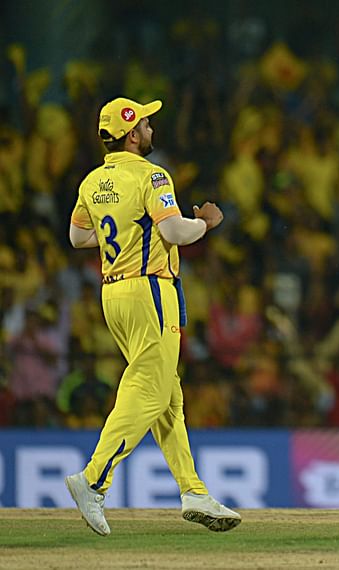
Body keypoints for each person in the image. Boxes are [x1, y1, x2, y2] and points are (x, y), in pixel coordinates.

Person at [65, 97, 241, 536]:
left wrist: (122, 236)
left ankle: (193, 490)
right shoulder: (152, 174)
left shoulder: (93, 181)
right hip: (150, 290)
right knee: (149, 389)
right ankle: (93, 480)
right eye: (145, 122)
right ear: (131, 131)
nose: (150, 127)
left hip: (113, 295)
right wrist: (206, 224)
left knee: (168, 393)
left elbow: (77, 236)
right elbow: (172, 231)